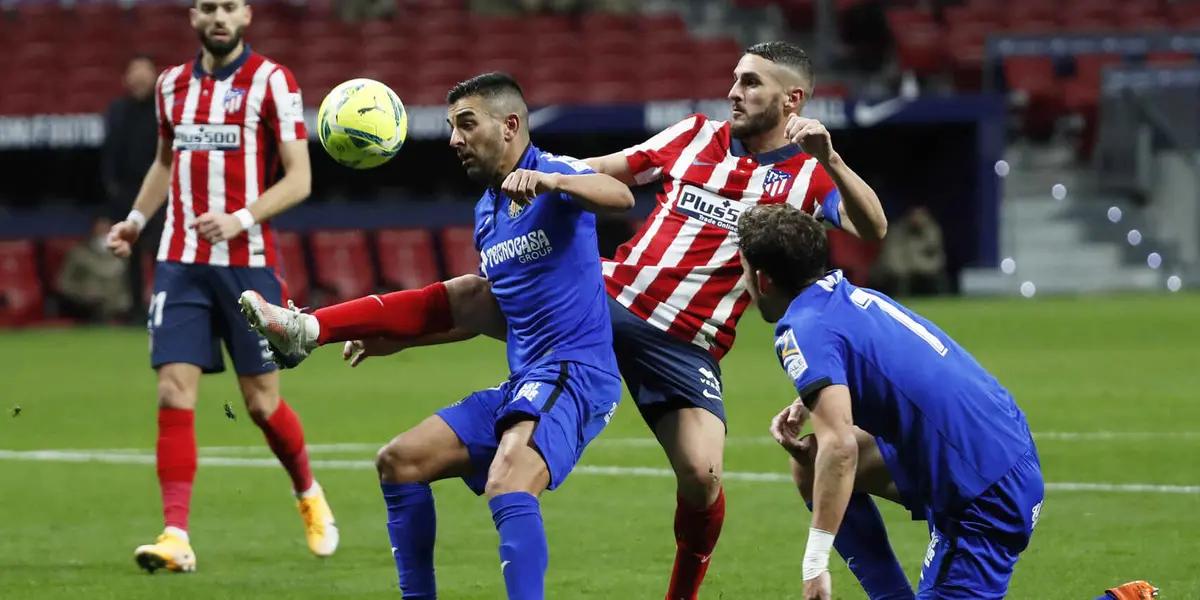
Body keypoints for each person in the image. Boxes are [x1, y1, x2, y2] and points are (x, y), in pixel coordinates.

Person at [396, 40, 888, 599]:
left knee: (702, 478)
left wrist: (833, 159)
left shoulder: (807, 177)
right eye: (735, 79)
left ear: (792, 99)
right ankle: (372, 333)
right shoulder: (695, 135)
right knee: (486, 296)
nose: (734, 92)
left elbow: (872, 228)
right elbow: (607, 171)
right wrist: (542, 175)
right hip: (611, 298)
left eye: (752, 83)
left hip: (688, 342)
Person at [239, 72, 633, 599]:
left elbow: (620, 195)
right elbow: (487, 313)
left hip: (576, 376)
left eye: (466, 125)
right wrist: (401, 340)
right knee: (400, 462)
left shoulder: (552, 173)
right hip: (527, 381)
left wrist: (553, 183)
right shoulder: (487, 213)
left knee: (508, 481)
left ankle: (310, 326)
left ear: (510, 125)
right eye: (451, 127)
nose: (454, 140)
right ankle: (312, 327)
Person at [104, 0, 335, 574]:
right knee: (172, 392)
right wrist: (135, 220)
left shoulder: (273, 82)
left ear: (247, 15)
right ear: (193, 16)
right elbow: (164, 164)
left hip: (248, 264)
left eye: (229, 6)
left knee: (261, 403)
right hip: (180, 261)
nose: (219, 17)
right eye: (208, 7)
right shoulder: (170, 86)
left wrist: (242, 218)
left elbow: (300, 178)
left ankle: (307, 490)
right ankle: (176, 536)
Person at [737, 203, 1043, 599]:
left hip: (983, 494)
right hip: (997, 451)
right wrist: (811, 398)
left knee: (830, 452)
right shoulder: (846, 294)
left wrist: (814, 564)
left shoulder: (800, 329)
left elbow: (842, 446)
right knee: (812, 465)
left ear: (762, 280)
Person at [101, 54, 161, 318]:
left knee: (162, 253)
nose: (139, 76)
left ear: (155, 75)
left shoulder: (164, 110)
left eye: (144, 70)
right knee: (131, 256)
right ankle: (136, 309)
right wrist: (111, 188)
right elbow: (109, 155)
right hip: (126, 195)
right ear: (126, 78)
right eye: (134, 71)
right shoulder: (117, 110)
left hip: (161, 196)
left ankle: (165, 305)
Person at [58, 216, 133, 322]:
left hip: (117, 307)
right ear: (93, 229)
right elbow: (63, 283)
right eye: (100, 226)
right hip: (87, 307)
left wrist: (125, 299)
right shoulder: (78, 253)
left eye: (106, 226)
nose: (103, 230)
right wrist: (82, 294)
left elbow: (130, 284)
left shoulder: (122, 253)